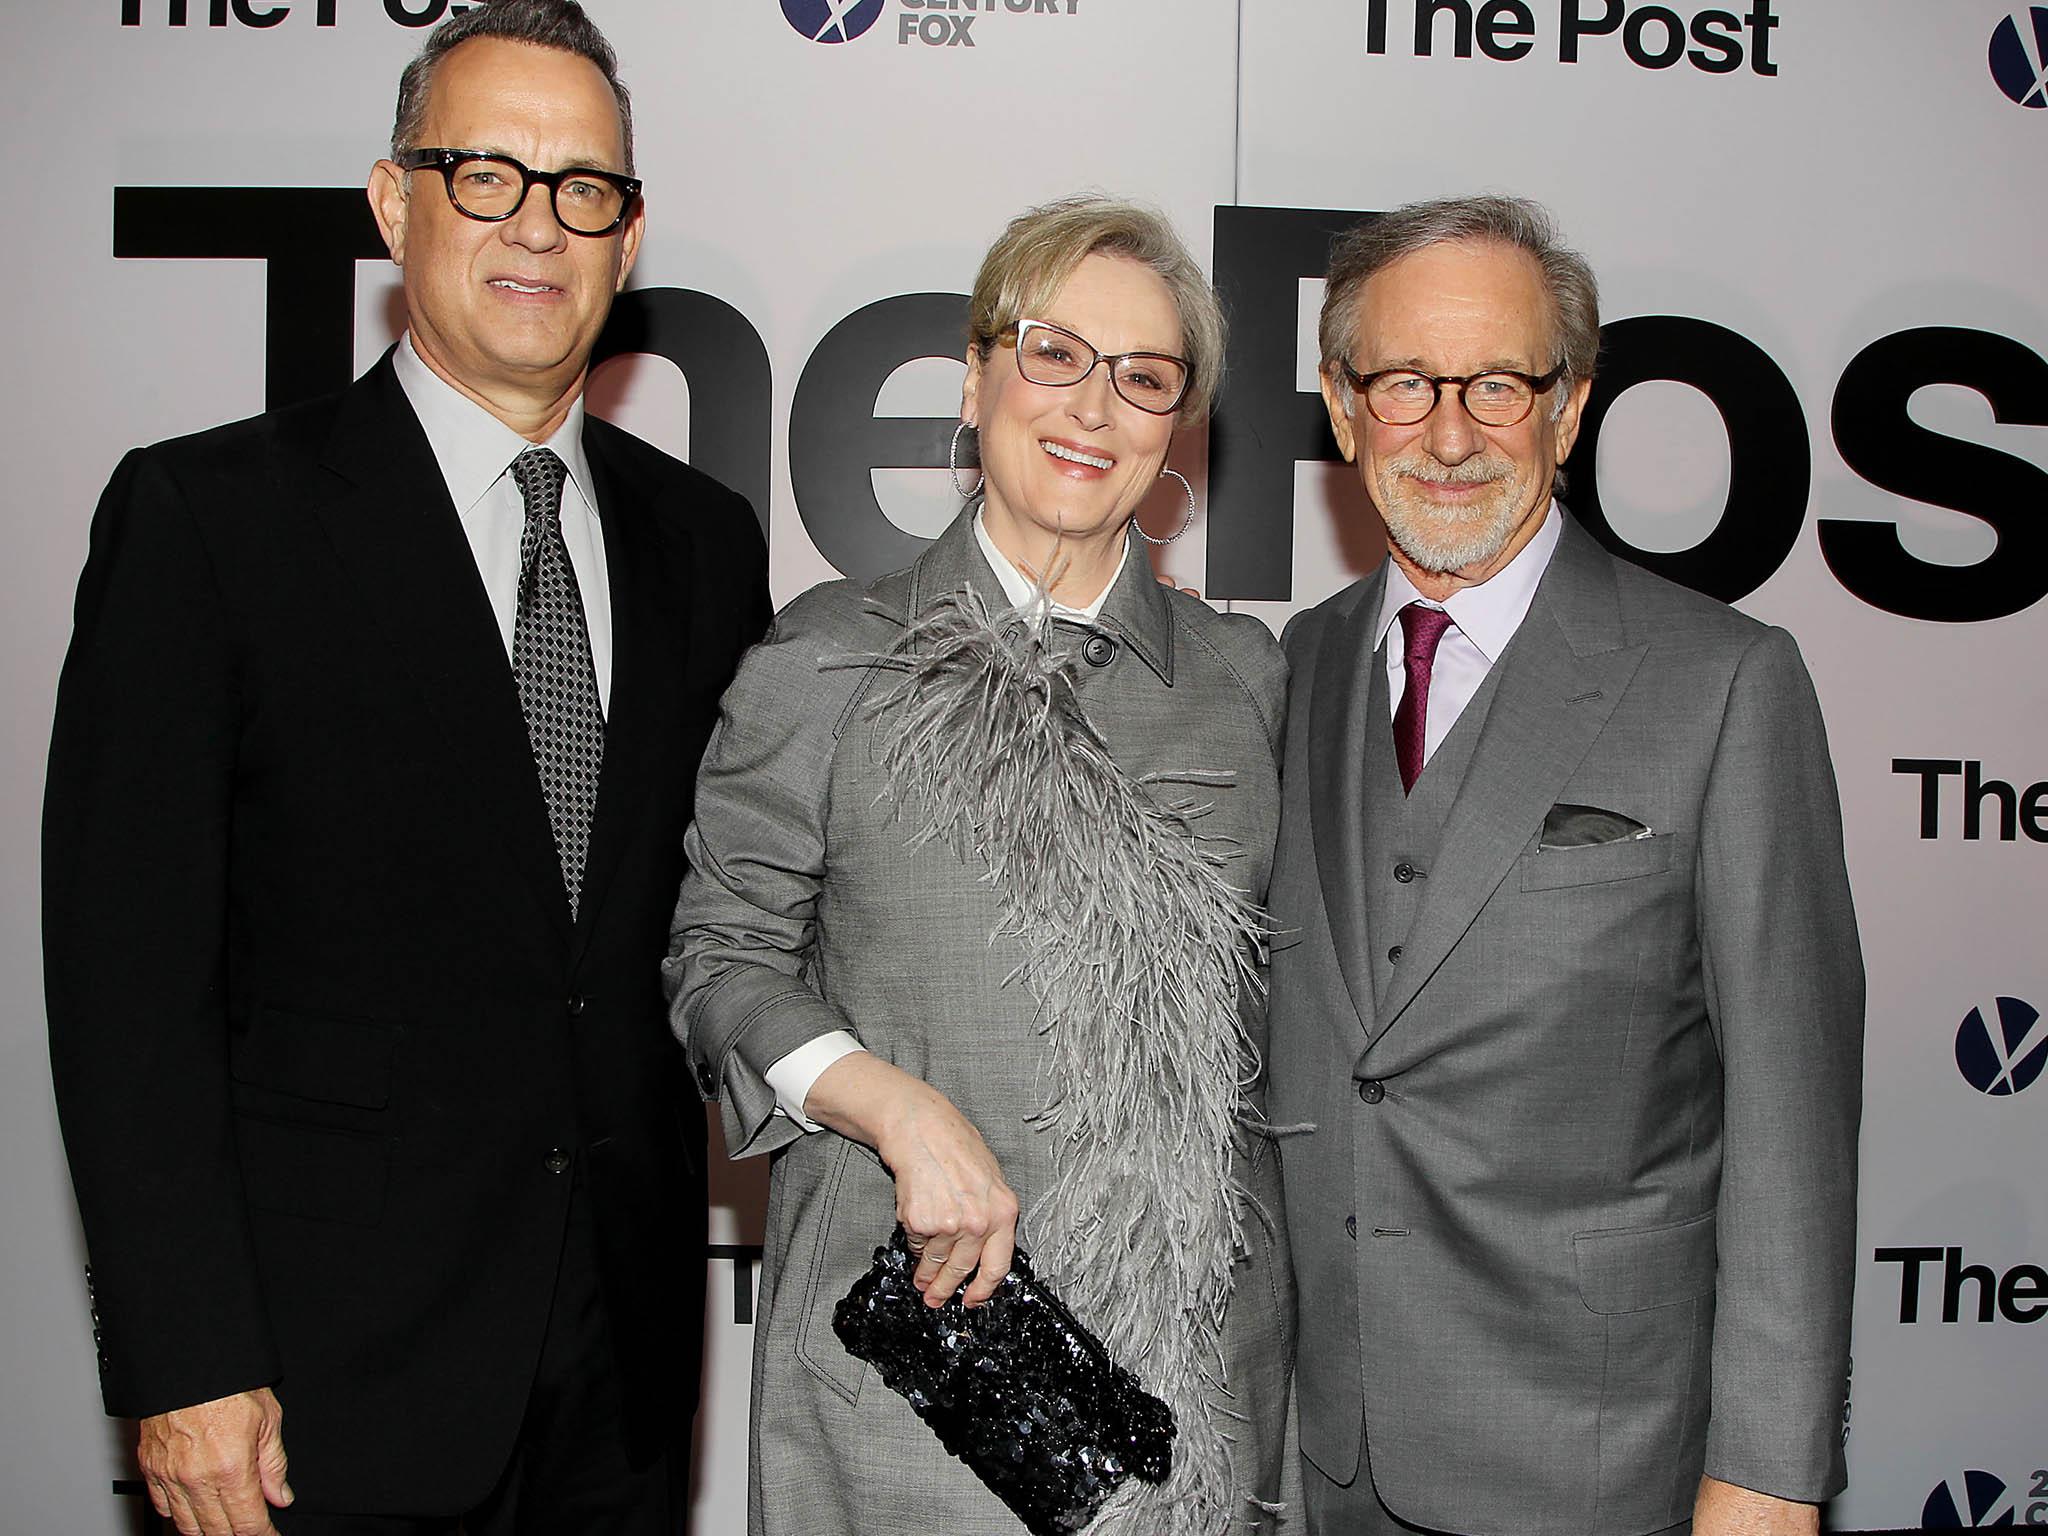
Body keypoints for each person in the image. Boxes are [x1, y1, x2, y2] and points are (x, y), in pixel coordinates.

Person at [42, 4, 769, 1532]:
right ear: (394, 204)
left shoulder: (706, 545)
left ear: (627, 238)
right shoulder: (207, 521)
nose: (537, 225)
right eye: (485, 173)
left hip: (623, 1378)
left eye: (583, 188)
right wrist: (183, 1363)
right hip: (315, 1382)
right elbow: (126, 989)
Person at [666, 195, 1295, 1535]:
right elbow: (718, 960)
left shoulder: (1242, 682)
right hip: (925, 1388)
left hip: (1189, 1396)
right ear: (976, 372)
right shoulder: (829, 659)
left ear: (1178, 423)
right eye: (1055, 352)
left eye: (1145, 377)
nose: (1093, 407)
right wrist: (894, 1106)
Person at [1265, 195, 1862, 1536]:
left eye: (1500, 383)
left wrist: (1768, 1476)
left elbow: (1794, 1127)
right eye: (1408, 382)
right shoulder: (1289, 673)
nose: (1453, 432)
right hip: (1321, 1458)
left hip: (1600, 1464)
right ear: (1345, 405)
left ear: (1572, 407)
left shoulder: (1725, 685)